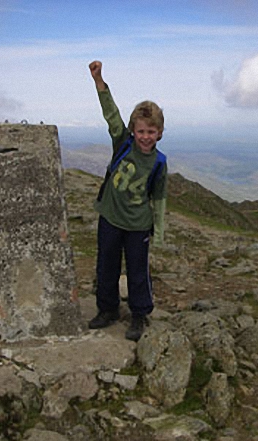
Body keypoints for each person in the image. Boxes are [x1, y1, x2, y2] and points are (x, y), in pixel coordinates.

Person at [87, 60, 167, 341]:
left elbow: (159, 197)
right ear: (133, 130)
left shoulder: (159, 162)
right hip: (110, 216)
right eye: (141, 130)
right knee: (106, 264)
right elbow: (111, 114)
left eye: (151, 131)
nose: (145, 137)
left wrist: (158, 233)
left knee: (137, 270)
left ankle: (139, 314)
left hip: (138, 226)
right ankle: (107, 309)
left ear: (160, 133)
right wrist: (99, 82)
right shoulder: (122, 142)